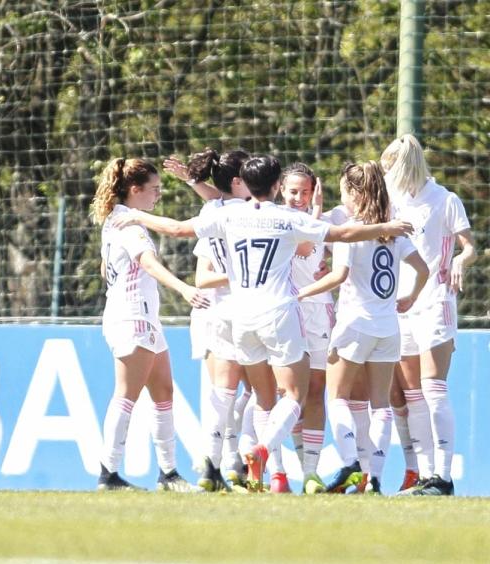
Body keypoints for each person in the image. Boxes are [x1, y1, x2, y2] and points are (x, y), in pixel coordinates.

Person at [115, 155, 413, 491]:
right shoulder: (286, 219)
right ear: (276, 187)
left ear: (247, 183)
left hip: (241, 318)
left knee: (260, 395)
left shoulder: (229, 214)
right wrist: (385, 228)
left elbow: (178, 229)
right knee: (295, 394)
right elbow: (343, 233)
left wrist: (137, 215)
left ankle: (246, 467)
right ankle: (262, 450)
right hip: (278, 315)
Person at [296, 161, 428, 495]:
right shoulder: (391, 230)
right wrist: (409, 297)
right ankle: (374, 478)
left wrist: (300, 293)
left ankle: (350, 462)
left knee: (336, 396)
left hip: (355, 324)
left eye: (344, 191)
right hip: (388, 328)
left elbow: (337, 277)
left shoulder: (351, 232)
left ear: (355, 193)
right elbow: (422, 269)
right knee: (379, 404)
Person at [91, 157, 209, 492]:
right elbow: (149, 263)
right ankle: (108, 473)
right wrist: (185, 288)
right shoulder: (129, 223)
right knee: (126, 396)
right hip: (133, 316)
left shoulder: (115, 220)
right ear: (135, 189)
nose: (158, 195)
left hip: (141, 315)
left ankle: (168, 474)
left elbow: (104, 269)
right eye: (154, 189)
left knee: (163, 393)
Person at [381, 135, 476, 496]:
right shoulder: (393, 203)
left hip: (435, 300)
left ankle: (444, 476)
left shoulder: (445, 200)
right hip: (401, 303)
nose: (386, 172)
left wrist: (458, 261)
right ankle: (423, 475)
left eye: (390, 165)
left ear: (405, 164)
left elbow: (469, 246)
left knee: (433, 388)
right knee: (410, 395)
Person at [169, 148, 254, 492]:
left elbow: (216, 199)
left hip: (213, 311)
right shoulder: (252, 213)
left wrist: (192, 181)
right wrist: (242, 273)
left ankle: (217, 463)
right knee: (263, 391)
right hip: (245, 309)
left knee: (224, 392)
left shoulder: (211, 210)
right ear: (238, 181)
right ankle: (243, 461)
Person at [280, 162, 333, 494]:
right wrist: (313, 217)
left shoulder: (327, 224)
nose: (299, 198)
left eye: (306, 192)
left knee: (315, 390)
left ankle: (311, 473)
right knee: (285, 394)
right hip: (284, 313)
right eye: (293, 191)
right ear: (281, 191)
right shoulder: (275, 222)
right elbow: (301, 244)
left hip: (319, 312)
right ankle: (274, 472)